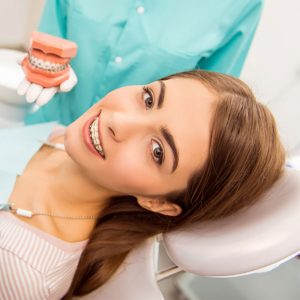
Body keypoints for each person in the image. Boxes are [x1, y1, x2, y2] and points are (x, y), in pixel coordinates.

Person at [0, 69, 285, 299]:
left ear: (158, 202)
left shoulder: (23, 268)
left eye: (157, 151)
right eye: (149, 99)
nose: (120, 121)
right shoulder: (62, 139)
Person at [19, 0, 264, 126]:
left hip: (120, 177)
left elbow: (212, 110)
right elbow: (48, 42)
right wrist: (41, 67)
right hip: (45, 129)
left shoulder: (238, 5)